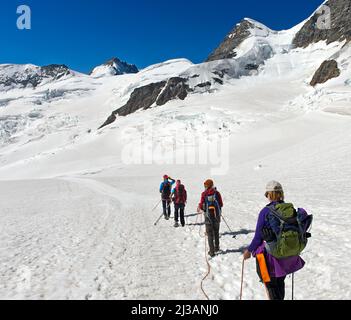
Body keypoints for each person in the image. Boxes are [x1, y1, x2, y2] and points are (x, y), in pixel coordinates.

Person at [243, 181, 309, 300]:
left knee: (271, 286)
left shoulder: (266, 211)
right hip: (287, 255)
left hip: (270, 257)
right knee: (280, 283)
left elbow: (258, 237)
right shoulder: (290, 209)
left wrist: (249, 251)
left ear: (270, 194)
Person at [197, 179, 223, 257]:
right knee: (216, 232)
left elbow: (202, 206)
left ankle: (211, 251)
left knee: (209, 234)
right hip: (216, 216)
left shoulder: (204, 194)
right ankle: (217, 247)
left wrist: (200, 206)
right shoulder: (217, 193)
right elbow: (221, 204)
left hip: (208, 216)